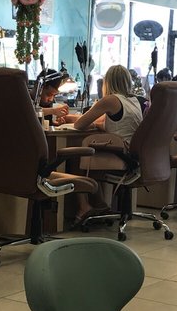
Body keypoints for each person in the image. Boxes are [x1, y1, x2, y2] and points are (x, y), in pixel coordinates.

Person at [60, 65, 143, 222]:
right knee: (87, 157)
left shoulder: (111, 100)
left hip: (119, 153)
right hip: (132, 154)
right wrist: (83, 120)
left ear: (107, 82)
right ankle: (100, 204)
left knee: (77, 157)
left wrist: (82, 121)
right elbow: (112, 123)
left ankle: (84, 206)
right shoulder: (134, 101)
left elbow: (80, 125)